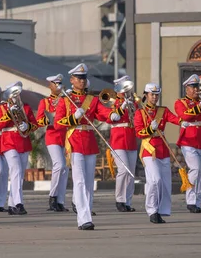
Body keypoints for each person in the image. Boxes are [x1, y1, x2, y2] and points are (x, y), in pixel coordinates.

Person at [54, 63, 113, 230]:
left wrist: (115, 113)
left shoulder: (92, 100)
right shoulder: (65, 100)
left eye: (83, 78)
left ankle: (86, 211)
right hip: (74, 141)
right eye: (78, 78)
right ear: (72, 80)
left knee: (88, 182)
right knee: (79, 181)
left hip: (89, 141)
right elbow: (58, 124)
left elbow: (103, 113)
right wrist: (73, 118)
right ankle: (84, 218)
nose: (81, 81)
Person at [135, 83, 181, 224]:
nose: (154, 97)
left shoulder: (163, 110)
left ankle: (161, 210)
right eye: (152, 94)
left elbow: (176, 119)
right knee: (155, 180)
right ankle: (152, 210)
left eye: (156, 95)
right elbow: (139, 132)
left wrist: (185, 121)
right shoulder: (140, 112)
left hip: (163, 149)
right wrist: (149, 129)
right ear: (146, 95)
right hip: (149, 150)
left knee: (165, 183)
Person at [174, 74, 201, 214]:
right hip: (188, 140)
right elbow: (185, 116)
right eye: (193, 87)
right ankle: (191, 201)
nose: (195, 90)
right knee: (195, 169)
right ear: (186, 88)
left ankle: (197, 202)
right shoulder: (180, 102)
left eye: (197, 87)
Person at [0, 81, 38, 216]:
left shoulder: (25, 107)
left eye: (17, 94)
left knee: (19, 175)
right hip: (9, 142)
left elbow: (35, 124)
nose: (16, 97)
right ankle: (19, 203)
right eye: (13, 94)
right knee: (16, 171)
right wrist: (9, 114)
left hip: (23, 141)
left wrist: (28, 126)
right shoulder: (2, 108)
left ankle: (12, 205)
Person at [36, 74, 69, 212]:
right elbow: (39, 120)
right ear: (50, 85)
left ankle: (60, 200)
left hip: (65, 136)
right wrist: (48, 120)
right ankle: (53, 197)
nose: (58, 86)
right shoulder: (45, 102)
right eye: (55, 83)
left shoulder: (67, 100)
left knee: (65, 168)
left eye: (60, 83)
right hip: (53, 136)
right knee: (59, 164)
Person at [107, 75, 138, 213]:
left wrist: (135, 106)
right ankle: (119, 199)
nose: (126, 91)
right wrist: (123, 106)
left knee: (130, 173)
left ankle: (127, 201)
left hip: (131, 139)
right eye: (123, 88)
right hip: (118, 140)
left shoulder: (133, 102)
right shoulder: (113, 103)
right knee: (123, 170)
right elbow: (113, 118)